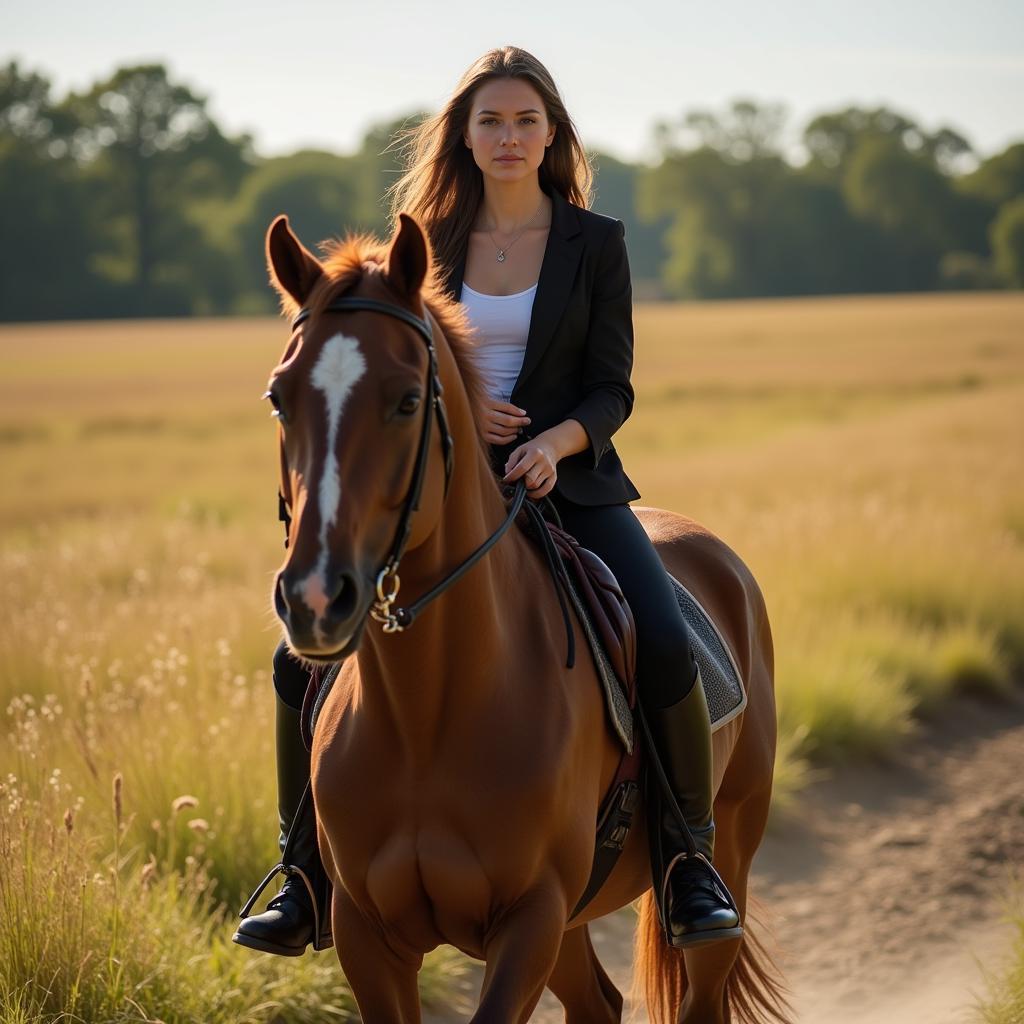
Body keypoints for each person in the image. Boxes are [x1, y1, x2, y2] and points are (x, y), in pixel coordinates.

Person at [234, 44, 741, 957]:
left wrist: (551, 440)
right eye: (490, 121)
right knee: (296, 661)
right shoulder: (419, 244)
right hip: (439, 486)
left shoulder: (598, 244)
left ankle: (685, 862)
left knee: (664, 639)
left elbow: (612, 388)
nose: (509, 137)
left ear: (552, 134)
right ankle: (304, 874)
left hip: (564, 481)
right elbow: (384, 368)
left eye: (526, 121)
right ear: (464, 137)